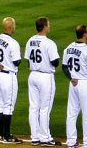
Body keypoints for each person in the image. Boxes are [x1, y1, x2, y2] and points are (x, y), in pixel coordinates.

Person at [25, 17, 61, 146]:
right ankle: (45, 138)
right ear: (44, 26)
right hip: (45, 77)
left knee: (34, 107)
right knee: (44, 108)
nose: (49, 26)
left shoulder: (30, 41)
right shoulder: (49, 43)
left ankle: (35, 137)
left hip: (33, 75)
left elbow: (28, 60)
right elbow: (55, 62)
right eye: (48, 24)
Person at [62, 25, 87, 148]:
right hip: (85, 83)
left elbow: (64, 67)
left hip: (73, 83)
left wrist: (71, 78)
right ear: (84, 34)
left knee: (71, 113)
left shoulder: (68, 48)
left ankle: (71, 141)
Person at [0, 17, 22, 144]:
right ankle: (7, 137)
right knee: (8, 106)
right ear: (10, 27)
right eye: (14, 25)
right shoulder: (13, 43)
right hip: (8, 77)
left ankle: (1, 135)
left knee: (0, 105)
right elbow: (16, 62)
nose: (15, 27)